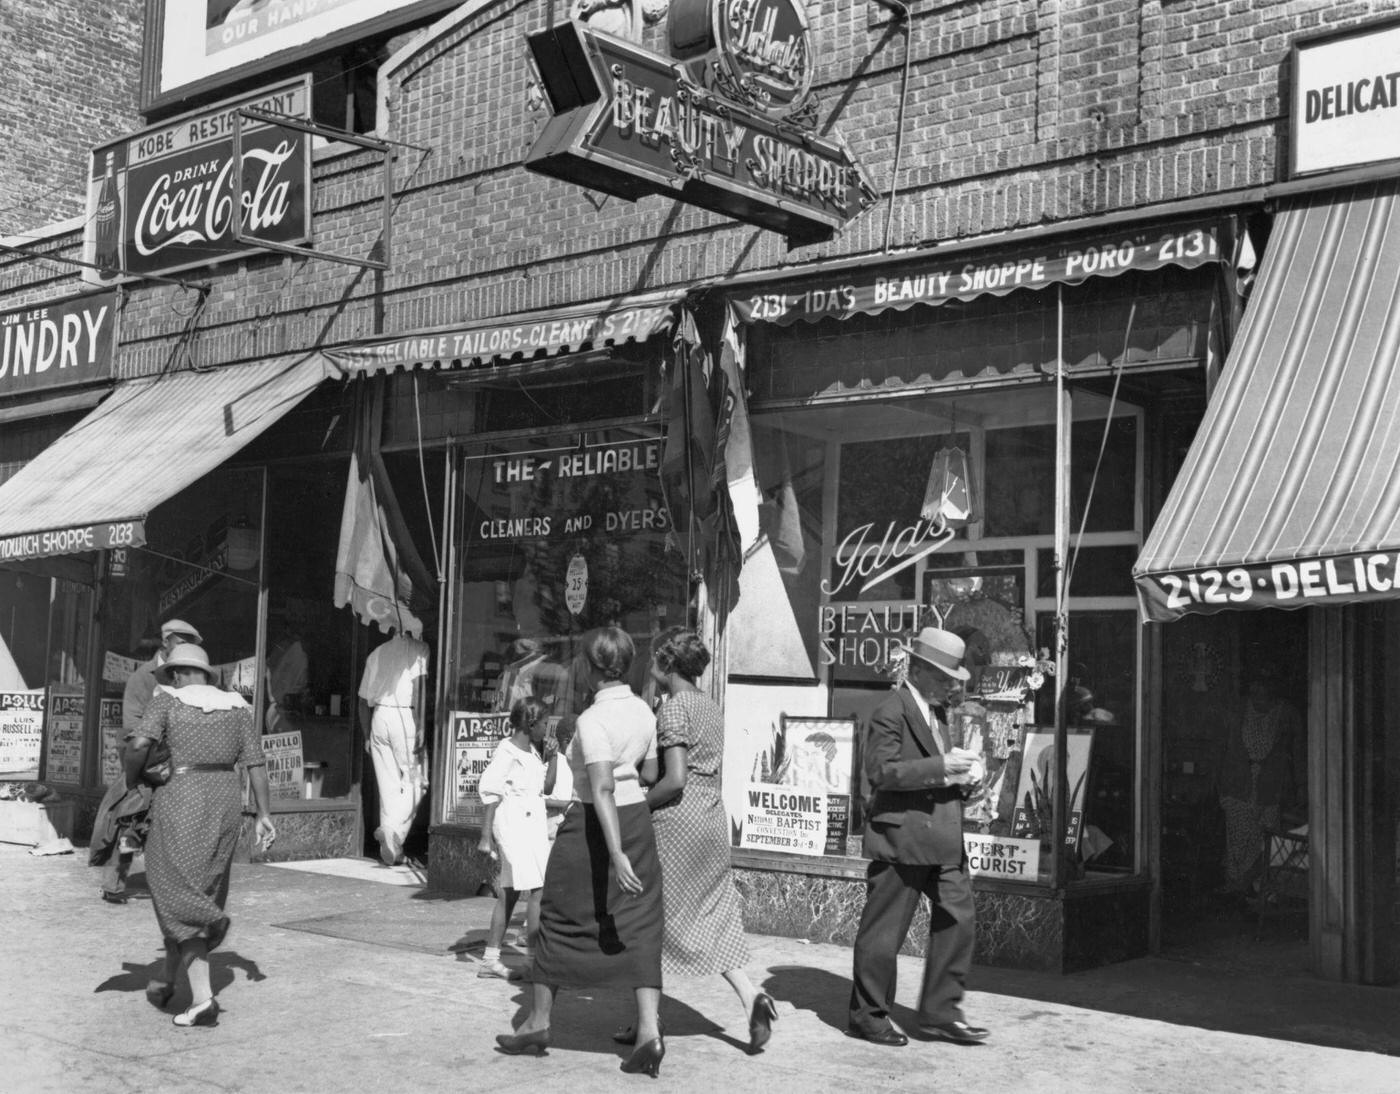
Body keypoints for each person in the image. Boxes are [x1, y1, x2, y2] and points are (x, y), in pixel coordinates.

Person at [495, 627, 666, 1078]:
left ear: (591, 669)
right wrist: (628, 840)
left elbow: (603, 786)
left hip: (593, 826)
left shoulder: (592, 720)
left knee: (556, 916)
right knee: (641, 923)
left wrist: (615, 852)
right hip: (636, 824)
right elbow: (648, 770)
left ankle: (537, 1022)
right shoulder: (645, 712)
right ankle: (649, 1030)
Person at [636, 626, 777, 1055]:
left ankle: (646, 1026)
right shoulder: (709, 705)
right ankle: (752, 996)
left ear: (664, 662)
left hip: (678, 823)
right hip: (713, 821)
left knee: (651, 920)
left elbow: (672, 779)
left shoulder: (673, 709)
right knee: (712, 914)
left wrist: (639, 809)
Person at [848, 626, 989, 1047]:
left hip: (942, 838)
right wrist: (944, 768)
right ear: (921, 669)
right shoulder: (891, 709)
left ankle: (941, 1011)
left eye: (954, 680)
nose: (951, 687)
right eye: (946, 678)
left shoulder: (935, 711)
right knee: (883, 933)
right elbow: (881, 771)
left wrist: (966, 782)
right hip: (902, 839)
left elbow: (936, 768)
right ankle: (868, 1016)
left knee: (959, 919)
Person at [125, 643, 276, 1027]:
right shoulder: (237, 707)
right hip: (225, 800)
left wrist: (134, 778)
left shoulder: (167, 701)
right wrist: (263, 814)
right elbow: (256, 764)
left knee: (175, 888)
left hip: (181, 796)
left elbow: (139, 744)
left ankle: (204, 997)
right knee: (199, 886)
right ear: (206, 673)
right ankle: (166, 978)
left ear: (175, 673)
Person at [90, 619, 202, 904]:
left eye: (190, 644)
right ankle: (114, 883)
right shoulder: (143, 677)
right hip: (145, 759)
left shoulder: (190, 675)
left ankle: (170, 883)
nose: (184, 649)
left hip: (177, 761)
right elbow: (132, 728)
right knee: (132, 819)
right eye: (180, 642)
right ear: (165, 643)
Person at [476, 697, 556, 981]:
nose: (547, 729)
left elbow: (546, 787)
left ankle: (490, 960)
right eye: (545, 724)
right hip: (513, 826)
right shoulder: (507, 751)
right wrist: (486, 836)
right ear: (531, 723)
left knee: (510, 892)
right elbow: (490, 793)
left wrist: (553, 757)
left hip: (532, 827)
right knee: (537, 890)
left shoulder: (533, 752)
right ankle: (533, 961)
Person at [1217, 666, 1304, 896]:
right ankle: (1236, 887)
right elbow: (1222, 745)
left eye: (1264, 689)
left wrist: (1301, 785)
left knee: (1266, 839)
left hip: (1271, 785)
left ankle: (1259, 891)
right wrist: (1219, 782)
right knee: (1238, 839)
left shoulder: (1288, 713)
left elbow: (1299, 753)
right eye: (1254, 689)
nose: (1258, 694)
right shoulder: (1237, 708)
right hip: (1238, 783)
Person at [357, 628, 430, 867]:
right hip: (404, 717)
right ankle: (394, 831)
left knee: (387, 784)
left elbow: (361, 700)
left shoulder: (376, 653)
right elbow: (419, 690)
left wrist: (367, 734)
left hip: (379, 716)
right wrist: (420, 726)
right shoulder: (419, 648)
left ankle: (392, 849)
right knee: (417, 780)